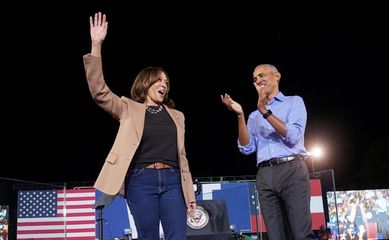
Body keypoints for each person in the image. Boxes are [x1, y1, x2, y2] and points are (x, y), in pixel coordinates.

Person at [83, 12, 196, 240]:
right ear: (146, 82)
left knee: (179, 237)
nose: (164, 84)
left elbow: (183, 157)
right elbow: (99, 91)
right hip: (141, 180)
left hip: (173, 181)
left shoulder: (177, 116)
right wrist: (96, 45)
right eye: (159, 79)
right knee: (148, 236)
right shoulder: (128, 108)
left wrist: (190, 194)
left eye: (167, 82)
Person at [221, 64, 314, 240]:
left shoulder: (294, 102)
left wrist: (265, 111)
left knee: (301, 233)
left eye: (262, 75)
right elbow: (246, 148)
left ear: (277, 76)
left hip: (291, 169)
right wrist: (240, 115)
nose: (258, 80)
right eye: (255, 78)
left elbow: (293, 136)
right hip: (264, 174)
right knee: (275, 235)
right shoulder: (253, 116)